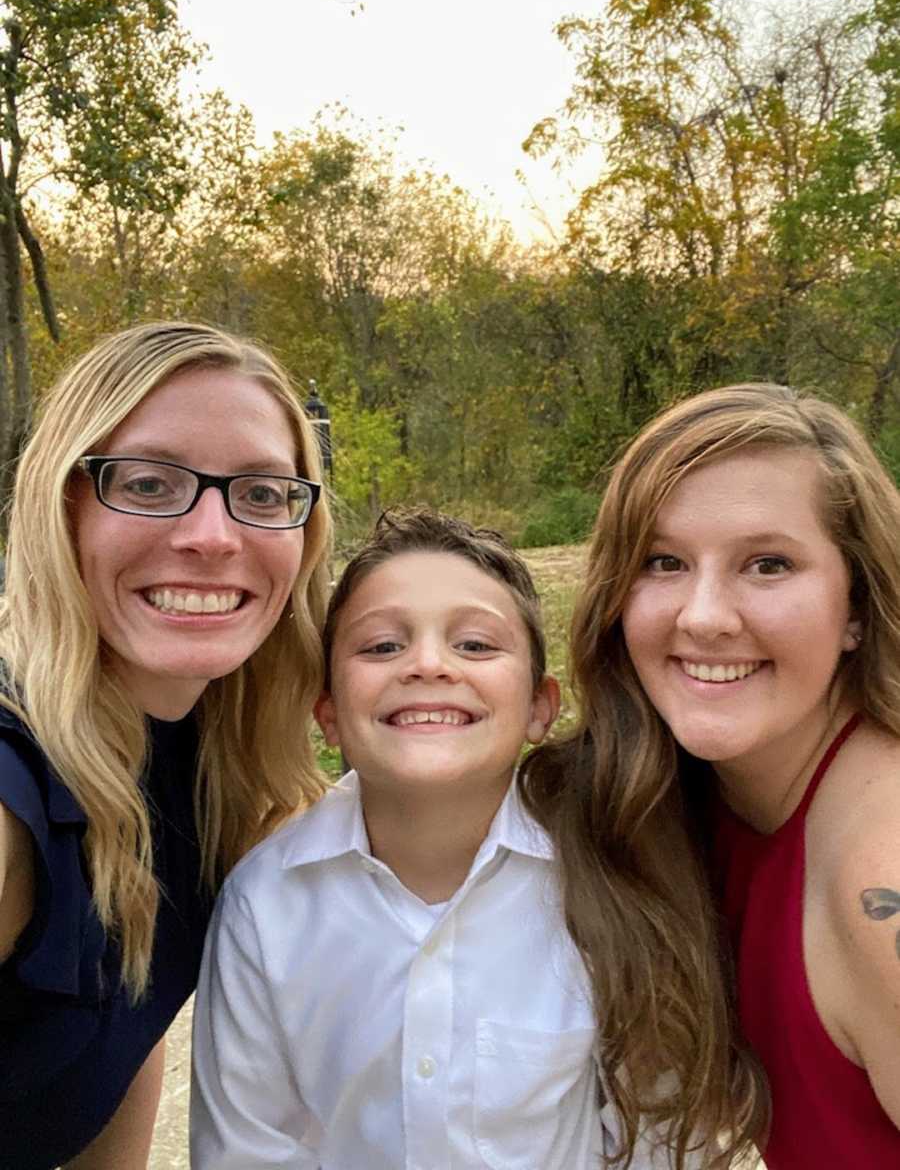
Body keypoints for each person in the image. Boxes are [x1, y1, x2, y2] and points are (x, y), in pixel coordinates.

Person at [192, 508, 703, 1169]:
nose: (428, 664)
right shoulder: (265, 906)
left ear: (540, 708)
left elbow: (660, 1144)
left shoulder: (610, 886)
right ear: (328, 717)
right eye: (381, 646)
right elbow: (247, 1151)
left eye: (475, 645)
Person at [527, 382, 900, 1168]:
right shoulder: (678, 794)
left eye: (768, 564)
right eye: (663, 561)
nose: (702, 616)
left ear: (857, 606)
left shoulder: (881, 877)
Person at [0, 320, 332, 1170]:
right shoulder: (14, 808)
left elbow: (129, 1020)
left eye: (261, 493)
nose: (214, 535)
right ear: (61, 504)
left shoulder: (216, 764)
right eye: (149, 484)